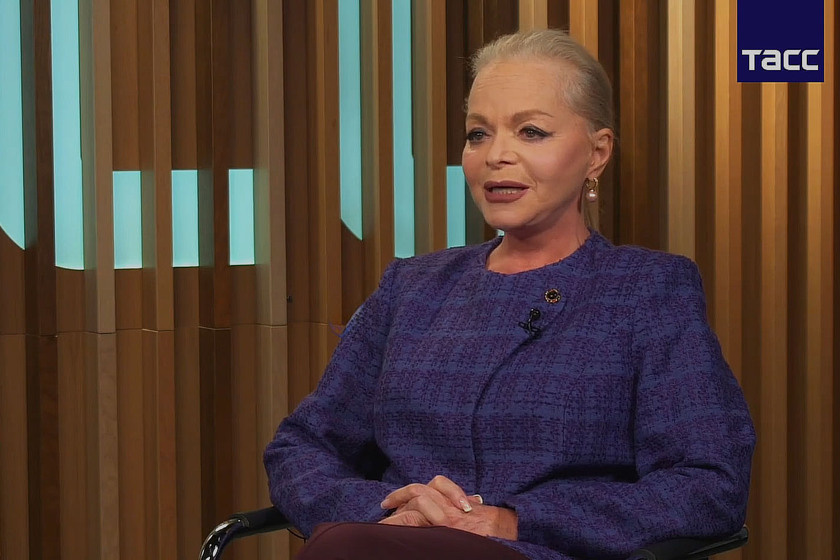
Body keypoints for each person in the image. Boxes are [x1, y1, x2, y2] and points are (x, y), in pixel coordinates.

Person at [264, 29, 755, 560]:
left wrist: (516, 520)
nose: (496, 155)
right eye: (478, 134)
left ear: (597, 153)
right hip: (387, 545)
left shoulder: (646, 289)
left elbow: (709, 484)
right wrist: (389, 509)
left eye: (531, 132)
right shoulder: (411, 287)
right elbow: (301, 448)